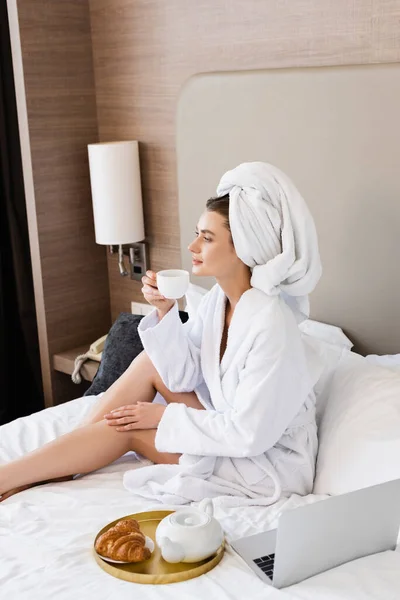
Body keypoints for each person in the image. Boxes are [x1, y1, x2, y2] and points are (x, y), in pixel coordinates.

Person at [0, 162, 322, 506]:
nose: (193, 246)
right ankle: (55, 464)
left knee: (126, 429)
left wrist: (161, 416)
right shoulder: (219, 301)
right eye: (198, 233)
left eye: (207, 238)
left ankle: (18, 474)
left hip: (262, 466)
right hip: (229, 429)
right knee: (150, 361)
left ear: (244, 248)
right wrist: (167, 312)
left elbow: (249, 435)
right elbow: (184, 374)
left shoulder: (272, 324)